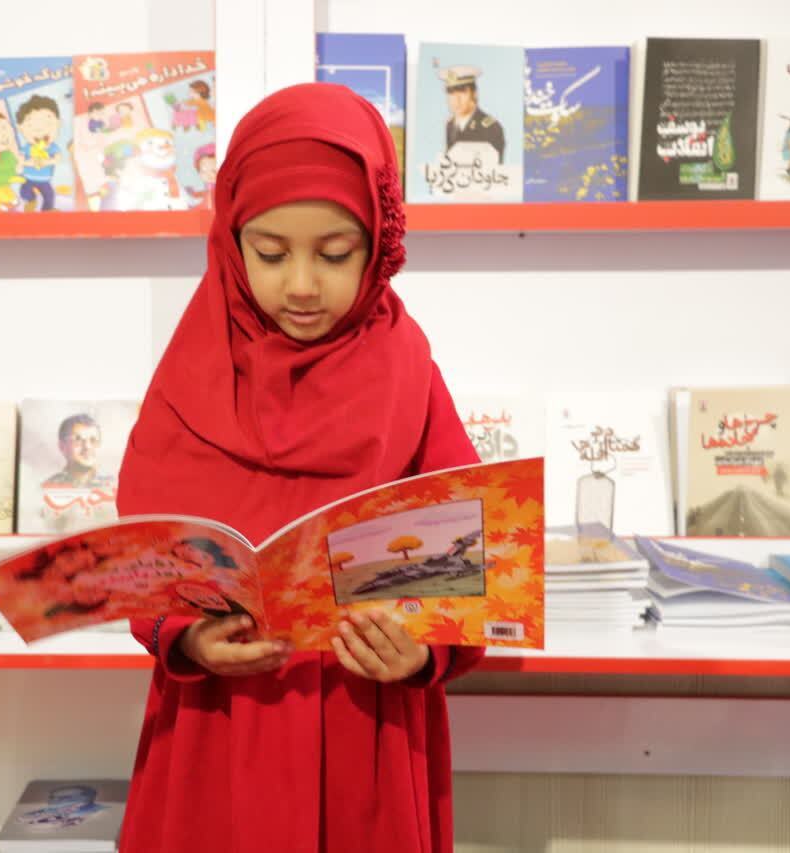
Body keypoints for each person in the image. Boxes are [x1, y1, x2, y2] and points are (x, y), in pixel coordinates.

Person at [117, 83, 484, 853]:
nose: (303, 285)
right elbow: (141, 557)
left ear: (379, 242)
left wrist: (425, 652)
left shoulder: (407, 370)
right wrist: (186, 637)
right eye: (271, 253)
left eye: (336, 253)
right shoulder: (191, 370)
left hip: (365, 720)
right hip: (218, 722)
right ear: (231, 240)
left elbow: (475, 560)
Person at [440, 65, 505, 162]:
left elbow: (494, 166)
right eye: (451, 93)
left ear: (474, 94)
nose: (456, 100)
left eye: (462, 92)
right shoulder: (450, 125)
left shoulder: (490, 127)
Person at [16, 95, 63, 211]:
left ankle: (47, 211)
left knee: (49, 196)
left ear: (58, 123)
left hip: (44, 179)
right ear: (21, 128)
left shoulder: (52, 147)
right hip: (28, 178)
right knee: (24, 192)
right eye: (31, 125)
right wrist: (25, 163)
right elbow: (20, 160)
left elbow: (57, 159)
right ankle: (31, 200)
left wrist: (46, 161)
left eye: (47, 123)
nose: (40, 130)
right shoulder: (27, 147)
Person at [44, 414, 114, 488]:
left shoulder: (112, 485)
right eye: (78, 440)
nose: (87, 447)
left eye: (93, 440)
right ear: (62, 446)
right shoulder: (50, 487)